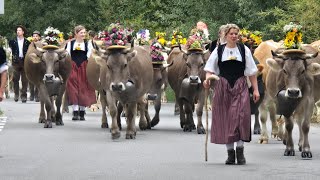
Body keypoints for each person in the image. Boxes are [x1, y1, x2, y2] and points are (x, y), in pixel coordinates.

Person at [203, 24, 260, 165]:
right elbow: (210, 68)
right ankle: (230, 154)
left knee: (241, 117)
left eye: (236, 33)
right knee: (226, 119)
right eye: (231, 34)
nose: (234, 36)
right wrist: (207, 79)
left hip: (240, 85)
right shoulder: (219, 50)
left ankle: (240, 152)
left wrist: (256, 90)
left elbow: (252, 72)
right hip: (223, 86)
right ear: (226, 35)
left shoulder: (244, 49)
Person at [65, 25, 96, 121]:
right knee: (73, 88)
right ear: (76, 34)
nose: (83, 34)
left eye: (84, 32)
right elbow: (67, 54)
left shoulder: (88, 44)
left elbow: (89, 55)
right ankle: (75, 112)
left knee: (84, 88)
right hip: (73, 66)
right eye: (81, 32)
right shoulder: (70, 44)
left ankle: (82, 112)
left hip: (84, 66)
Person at [9, 25, 30, 103]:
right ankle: (16, 94)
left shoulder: (27, 42)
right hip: (16, 62)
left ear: (23, 32)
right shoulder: (12, 41)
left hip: (25, 62)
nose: (18, 31)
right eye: (17, 30)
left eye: (20, 30)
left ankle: (24, 95)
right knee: (15, 79)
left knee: (25, 79)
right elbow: (10, 50)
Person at [28, 30, 41, 102]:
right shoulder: (30, 44)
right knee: (31, 79)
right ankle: (31, 94)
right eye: (34, 36)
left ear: (39, 37)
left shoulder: (41, 44)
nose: (35, 37)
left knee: (38, 79)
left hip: (38, 64)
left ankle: (37, 95)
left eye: (36, 36)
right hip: (30, 64)